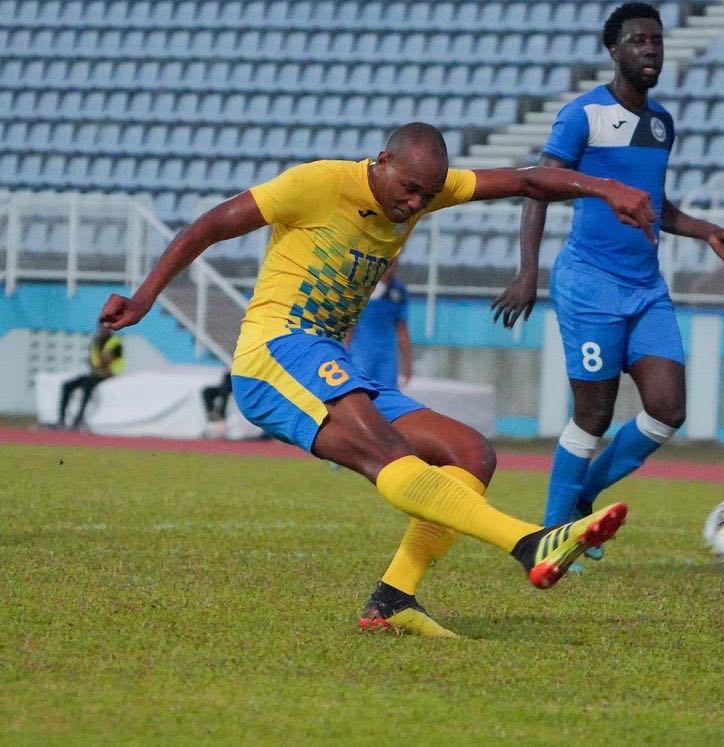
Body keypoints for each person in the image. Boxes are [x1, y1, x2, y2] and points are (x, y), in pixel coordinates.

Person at [99, 122, 657, 638]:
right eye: (409, 189)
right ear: (382, 161)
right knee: (388, 453)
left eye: (426, 195)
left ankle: (392, 601)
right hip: (275, 350)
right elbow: (212, 224)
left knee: (471, 453)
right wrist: (145, 297)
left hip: (329, 359)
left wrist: (604, 188)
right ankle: (530, 543)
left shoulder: (425, 189)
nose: (415, 204)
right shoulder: (319, 183)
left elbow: (526, 180)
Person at [490, 2, 724, 544]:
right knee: (594, 414)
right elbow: (538, 187)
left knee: (668, 409)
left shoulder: (661, 125)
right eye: (638, 40)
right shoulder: (583, 115)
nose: (650, 49)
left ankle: (584, 495)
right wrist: (527, 273)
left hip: (645, 289)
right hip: (589, 285)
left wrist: (708, 231)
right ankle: (551, 534)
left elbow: (654, 204)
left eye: (656, 40)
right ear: (614, 50)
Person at [345, 260, 413, 389]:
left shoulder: (398, 291)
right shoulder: (362, 287)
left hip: (386, 358)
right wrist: (343, 352)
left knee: (386, 398)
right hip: (360, 354)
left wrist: (408, 364)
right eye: (389, 261)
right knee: (360, 393)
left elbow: (402, 328)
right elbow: (349, 325)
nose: (391, 266)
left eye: (395, 261)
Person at [57, 322, 125, 429]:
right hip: (96, 373)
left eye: (104, 328)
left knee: (87, 384)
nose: (101, 330)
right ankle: (61, 419)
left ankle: (79, 418)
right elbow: (91, 360)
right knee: (67, 385)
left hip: (110, 374)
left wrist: (98, 364)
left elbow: (106, 361)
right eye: (100, 328)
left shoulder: (115, 342)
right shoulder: (96, 342)